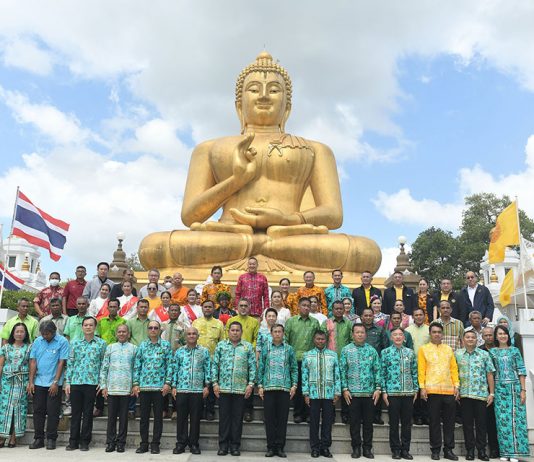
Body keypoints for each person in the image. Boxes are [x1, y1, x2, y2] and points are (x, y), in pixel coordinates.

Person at [137, 51, 381, 275]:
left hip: (287, 235)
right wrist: (236, 180)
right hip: (231, 233)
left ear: (287, 107)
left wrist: (286, 220)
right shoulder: (209, 148)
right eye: (254, 89)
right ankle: (262, 245)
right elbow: (191, 216)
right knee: (154, 246)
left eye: (274, 90)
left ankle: (261, 245)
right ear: (239, 105)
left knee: (365, 251)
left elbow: (333, 214)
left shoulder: (316, 150)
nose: (264, 95)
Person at [212, 321, 256, 456]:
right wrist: (214, 383)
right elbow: (215, 365)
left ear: (241, 332)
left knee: (237, 419)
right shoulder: (221, 346)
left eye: (237, 330)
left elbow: (252, 367)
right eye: (233, 330)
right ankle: (223, 446)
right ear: (228, 331)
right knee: (224, 418)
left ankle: (235, 446)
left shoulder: (248, 347)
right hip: (223, 388)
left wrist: (250, 384)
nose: (235, 332)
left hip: (240, 389)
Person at [418, 321, 460, 461]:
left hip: (449, 390)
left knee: (449, 422)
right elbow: (421, 370)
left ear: (442, 334)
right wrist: (422, 387)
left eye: (439, 332)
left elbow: (453, 368)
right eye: (434, 332)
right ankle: (435, 450)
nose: (436, 334)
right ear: (430, 334)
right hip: (432, 391)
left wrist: (457, 386)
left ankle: (449, 450)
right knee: (434, 422)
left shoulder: (448, 349)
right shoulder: (424, 349)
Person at [64, 316, 107, 451]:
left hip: (92, 383)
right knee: (76, 413)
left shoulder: (101, 344)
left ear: (95, 327)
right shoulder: (75, 343)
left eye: (91, 325)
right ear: (82, 327)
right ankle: (73, 441)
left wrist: (102, 381)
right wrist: (68, 382)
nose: (88, 327)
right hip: (76, 382)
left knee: (88, 413)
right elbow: (70, 363)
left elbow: (103, 364)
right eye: (86, 325)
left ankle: (85, 441)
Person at [340, 324, 381, 459]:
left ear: (365, 334)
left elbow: (377, 370)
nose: (360, 334)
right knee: (354, 423)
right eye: (357, 332)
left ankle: (367, 448)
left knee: (368, 423)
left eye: (362, 332)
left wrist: (378, 388)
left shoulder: (372, 351)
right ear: (353, 334)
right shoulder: (346, 350)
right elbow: (342, 370)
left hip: (369, 394)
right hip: (352, 394)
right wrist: (345, 389)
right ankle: (356, 448)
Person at [27, 321, 69, 450]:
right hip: (39, 382)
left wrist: (55, 382)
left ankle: (51, 438)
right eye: (43, 334)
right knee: (38, 411)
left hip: (54, 383)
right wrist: (31, 382)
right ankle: (38, 439)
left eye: (47, 334)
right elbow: (33, 361)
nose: (45, 336)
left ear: (54, 331)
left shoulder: (62, 341)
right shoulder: (37, 341)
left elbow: (61, 362)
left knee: (53, 411)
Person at [490, 325, 530, 461]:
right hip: (499, 389)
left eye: (504, 333)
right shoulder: (492, 352)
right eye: (500, 334)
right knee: (502, 420)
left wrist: (523, 390)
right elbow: (490, 372)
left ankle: (516, 453)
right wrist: (492, 392)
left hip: (515, 388)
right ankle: (505, 452)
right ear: (496, 336)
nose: (502, 336)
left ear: (508, 335)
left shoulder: (514, 350)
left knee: (517, 420)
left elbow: (521, 370)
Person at [132, 320, 172, 454]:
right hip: (144, 387)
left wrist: (167, 383)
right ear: (148, 330)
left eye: (156, 328)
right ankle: (144, 443)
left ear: (160, 330)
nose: (153, 330)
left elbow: (170, 365)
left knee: (158, 418)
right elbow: (137, 365)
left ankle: (155, 444)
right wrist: (135, 383)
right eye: (151, 328)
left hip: (160, 388)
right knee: (144, 417)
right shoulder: (142, 345)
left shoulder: (166, 346)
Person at [258, 323, 297, 458]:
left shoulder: (289, 349)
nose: (277, 334)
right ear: (271, 333)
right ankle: (270, 447)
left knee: (282, 419)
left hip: (284, 389)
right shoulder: (266, 348)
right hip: (268, 388)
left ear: (283, 333)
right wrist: (260, 386)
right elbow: (261, 367)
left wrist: (294, 385)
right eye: (275, 331)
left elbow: (294, 368)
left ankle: (280, 447)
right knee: (269, 419)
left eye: (280, 331)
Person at [169, 326, 211, 455]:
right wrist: (173, 386)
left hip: (197, 390)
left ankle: (194, 444)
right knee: (181, 418)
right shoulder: (179, 352)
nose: (191, 336)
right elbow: (174, 369)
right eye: (189, 334)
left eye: (194, 334)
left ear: (198, 336)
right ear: (185, 336)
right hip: (182, 390)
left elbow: (208, 369)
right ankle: (181, 444)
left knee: (195, 419)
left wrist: (207, 386)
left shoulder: (204, 351)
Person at [455, 330, 495, 461]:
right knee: (467, 425)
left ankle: (482, 451)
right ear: (463, 340)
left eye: (473, 337)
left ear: (477, 340)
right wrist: (456, 389)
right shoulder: (457, 354)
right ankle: (470, 451)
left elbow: (490, 374)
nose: (470, 339)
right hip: (464, 395)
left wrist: (491, 393)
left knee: (481, 424)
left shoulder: (484, 354)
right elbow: (454, 373)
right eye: (468, 337)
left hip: (481, 395)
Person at [302, 330, 341, 458]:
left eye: (322, 339)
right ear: (314, 340)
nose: (320, 341)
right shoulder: (307, 355)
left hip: (329, 394)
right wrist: (306, 393)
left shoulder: (333, 355)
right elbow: (304, 376)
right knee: (313, 422)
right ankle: (314, 447)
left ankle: (325, 447)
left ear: (326, 340)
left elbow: (337, 374)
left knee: (327, 422)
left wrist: (337, 392)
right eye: (318, 339)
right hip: (313, 394)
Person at [381, 327, 418, 460]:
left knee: (407, 424)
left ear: (404, 338)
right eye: (395, 335)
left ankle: (405, 450)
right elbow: (382, 373)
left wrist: (415, 389)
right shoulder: (385, 353)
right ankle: (395, 449)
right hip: (392, 393)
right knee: (394, 423)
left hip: (408, 393)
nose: (398, 337)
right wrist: (384, 391)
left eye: (400, 335)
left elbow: (414, 372)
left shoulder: (410, 353)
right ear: (391, 338)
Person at [99, 324, 137, 453]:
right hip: (112, 388)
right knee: (111, 418)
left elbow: (135, 368)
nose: (121, 334)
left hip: (126, 388)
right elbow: (104, 368)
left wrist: (134, 385)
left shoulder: (134, 349)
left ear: (128, 334)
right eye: (119, 332)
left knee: (123, 418)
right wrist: (103, 386)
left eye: (124, 332)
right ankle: (110, 442)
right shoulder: (110, 348)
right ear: (116, 334)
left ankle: (121, 443)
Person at [284, 297, 320, 423]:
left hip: (311, 360)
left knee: (310, 387)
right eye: (303, 305)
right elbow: (286, 340)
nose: (306, 307)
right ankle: (298, 413)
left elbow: (318, 340)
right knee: (298, 387)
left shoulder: (315, 322)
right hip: (295, 359)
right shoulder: (291, 321)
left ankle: (309, 413)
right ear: (298, 306)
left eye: (308, 306)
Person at [226, 297, 260, 421]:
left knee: (248, 383)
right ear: (237, 307)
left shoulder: (254, 321)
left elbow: (256, 338)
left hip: (247, 355)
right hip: (232, 355)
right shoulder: (231, 320)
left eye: (246, 305)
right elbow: (226, 337)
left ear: (249, 307)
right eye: (241, 305)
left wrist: (250, 349)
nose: (243, 308)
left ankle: (247, 411)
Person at [321, 300, 353, 423]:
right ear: (332, 310)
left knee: (345, 386)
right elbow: (321, 340)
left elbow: (352, 340)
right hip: (329, 360)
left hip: (345, 360)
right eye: (336, 308)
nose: (339, 310)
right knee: (330, 387)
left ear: (344, 309)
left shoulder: (349, 323)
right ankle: (331, 414)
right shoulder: (326, 323)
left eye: (341, 308)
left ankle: (346, 414)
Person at [192, 300, 224, 420]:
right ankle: (198, 411)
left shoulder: (219, 323)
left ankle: (210, 411)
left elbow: (222, 342)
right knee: (199, 385)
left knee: (210, 386)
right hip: (197, 359)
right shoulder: (196, 322)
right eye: (205, 307)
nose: (207, 309)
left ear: (213, 308)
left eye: (210, 307)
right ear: (202, 308)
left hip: (213, 359)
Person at [0, 323, 31, 448]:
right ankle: (2, 437)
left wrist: (30, 382)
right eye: (17, 331)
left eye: (22, 331)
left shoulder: (29, 348)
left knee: (18, 409)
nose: (19, 334)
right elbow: (1, 365)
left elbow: (32, 364)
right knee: (4, 409)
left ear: (25, 333)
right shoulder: (5, 348)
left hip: (22, 381)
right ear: (13, 333)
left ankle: (13, 437)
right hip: (7, 382)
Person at [360, 307, 388, 425]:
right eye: (365, 315)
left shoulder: (380, 329)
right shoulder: (358, 329)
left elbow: (385, 346)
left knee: (377, 389)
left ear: (373, 316)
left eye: (370, 315)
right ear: (361, 317)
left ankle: (376, 415)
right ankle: (362, 416)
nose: (368, 317)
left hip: (376, 365)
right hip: (360, 365)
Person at [406, 307, 431, 426]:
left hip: (427, 365)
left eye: (421, 314)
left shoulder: (429, 330)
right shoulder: (408, 330)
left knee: (426, 391)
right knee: (415, 391)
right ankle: (417, 416)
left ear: (424, 316)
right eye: (416, 315)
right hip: (412, 365)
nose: (419, 317)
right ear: (413, 317)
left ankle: (426, 416)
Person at [479, 327, 500, 458]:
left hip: (502, 389)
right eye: (485, 335)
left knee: (501, 420)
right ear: (482, 337)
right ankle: (493, 449)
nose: (488, 337)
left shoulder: (500, 349)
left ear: (494, 336)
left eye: (490, 335)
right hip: (486, 390)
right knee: (489, 421)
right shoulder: (480, 351)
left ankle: (505, 448)